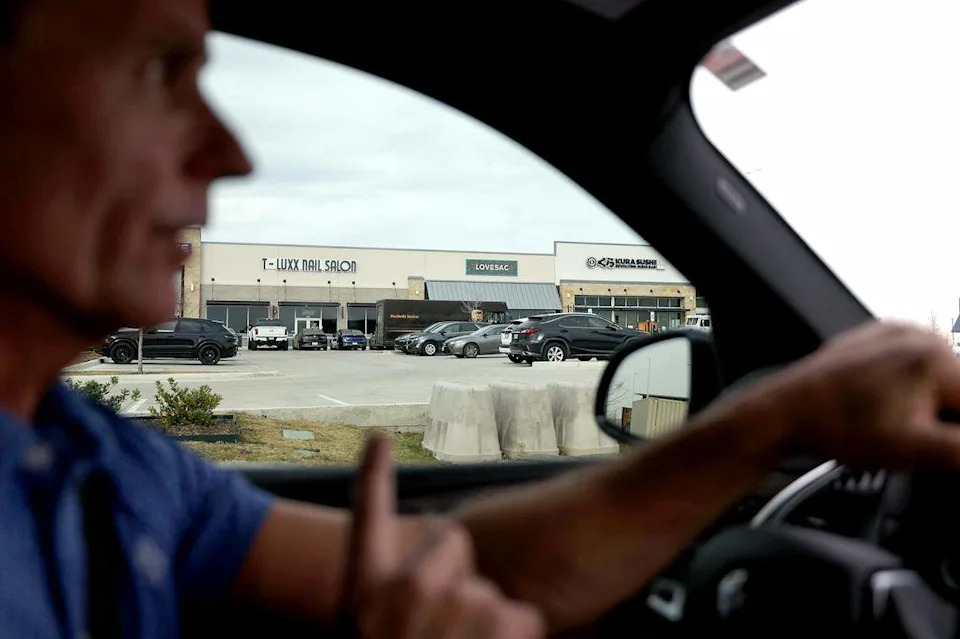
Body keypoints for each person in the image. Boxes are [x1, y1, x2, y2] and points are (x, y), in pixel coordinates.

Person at [3, 0, 960, 637]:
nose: (230, 152)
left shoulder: (108, 460)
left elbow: (471, 570)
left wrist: (776, 419)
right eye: (161, 71)